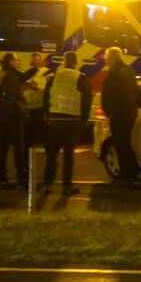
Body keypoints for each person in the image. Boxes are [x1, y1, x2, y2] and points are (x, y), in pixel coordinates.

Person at [41, 51, 91, 195]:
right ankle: (66, 186)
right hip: (73, 121)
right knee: (68, 156)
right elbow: (86, 100)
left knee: (52, 155)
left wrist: (47, 114)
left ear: (64, 61)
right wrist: (84, 119)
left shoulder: (54, 76)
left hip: (55, 120)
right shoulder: (81, 78)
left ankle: (47, 184)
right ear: (76, 62)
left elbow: (46, 96)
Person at [101, 46, 139, 183]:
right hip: (129, 113)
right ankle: (132, 170)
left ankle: (126, 173)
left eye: (106, 58)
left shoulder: (113, 74)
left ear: (111, 58)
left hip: (118, 114)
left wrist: (108, 112)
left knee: (120, 144)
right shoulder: (129, 71)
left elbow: (107, 96)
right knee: (126, 143)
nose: (105, 60)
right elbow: (136, 91)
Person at [0, 52, 28, 189]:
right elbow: (11, 96)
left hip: (1, 115)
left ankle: (3, 179)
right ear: (10, 61)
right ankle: (22, 180)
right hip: (12, 116)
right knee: (18, 148)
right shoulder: (12, 74)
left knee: (3, 149)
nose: (17, 61)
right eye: (16, 60)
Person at [22, 52, 52, 166]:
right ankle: (26, 162)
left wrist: (37, 88)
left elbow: (49, 90)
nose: (34, 62)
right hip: (28, 109)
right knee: (27, 138)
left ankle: (51, 162)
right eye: (32, 60)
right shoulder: (27, 73)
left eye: (36, 60)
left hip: (40, 110)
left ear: (41, 61)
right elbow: (21, 87)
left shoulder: (47, 72)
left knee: (46, 137)